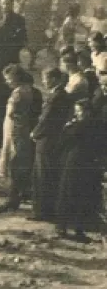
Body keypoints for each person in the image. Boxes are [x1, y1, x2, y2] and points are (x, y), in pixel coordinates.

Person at [0, 65, 42, 213]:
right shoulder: (34, 91)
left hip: (17, 129)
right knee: (23, 163)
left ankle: (13, 199)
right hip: (27, 129)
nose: (7, 82)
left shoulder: (19, 93)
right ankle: (22, 193)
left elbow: (11, 113)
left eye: (9, 79)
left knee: (15, 163)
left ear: (16, 78)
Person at [55, 99, 101, 241]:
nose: (76, 114)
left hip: (74, 162)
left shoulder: (76, 127)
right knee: (83, 197)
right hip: (90, 163)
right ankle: (78, 229)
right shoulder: (98, 125)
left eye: (79, 111)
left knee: (67, 194)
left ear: (87, 112)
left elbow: (62, 142)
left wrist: (67, 127)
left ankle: (62, 226)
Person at [30, 68, 72, 222]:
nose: (44, 81)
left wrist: (34, 133)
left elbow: (46, 119)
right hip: (52, 140)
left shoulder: (57, 97)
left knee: (43, 176)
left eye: (45, 78)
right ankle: (46, 210)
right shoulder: (61, 95)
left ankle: (43, 212)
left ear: (54, 79)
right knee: (47, 175)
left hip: (47, 141)